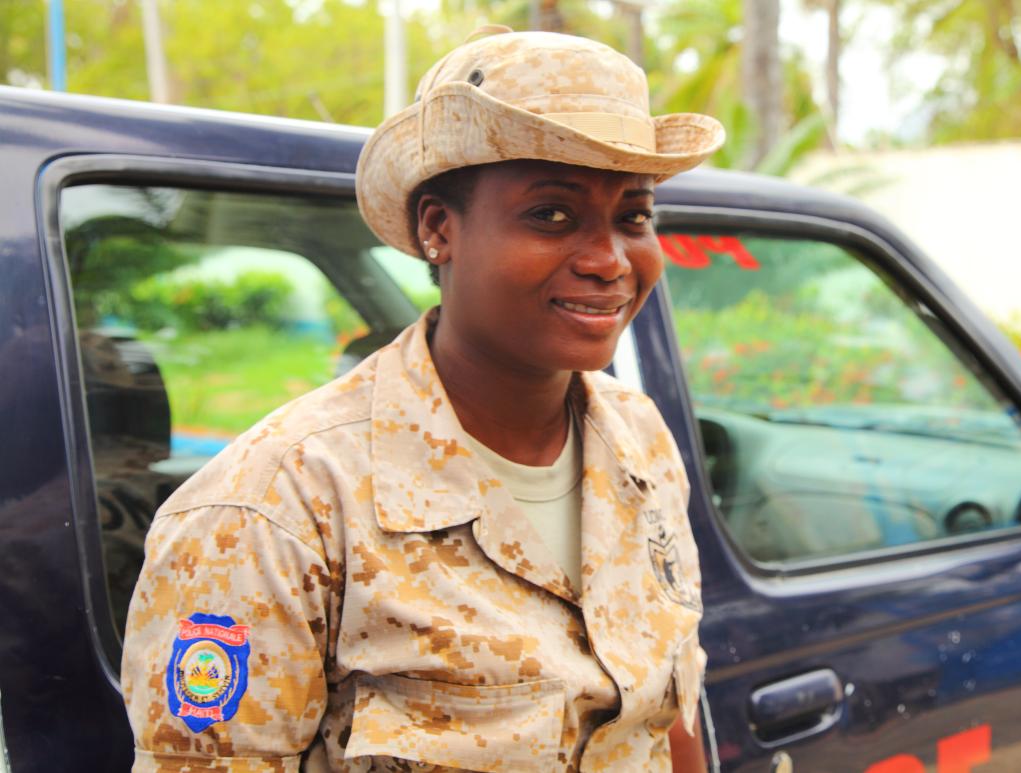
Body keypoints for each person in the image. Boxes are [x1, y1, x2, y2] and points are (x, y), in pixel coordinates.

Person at [121, 26, 724, 772]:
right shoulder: (276, 508)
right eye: (552, 215)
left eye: (633, 216)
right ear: (440, 228)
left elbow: (666, 717)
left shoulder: (639, 438)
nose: (608, 260)